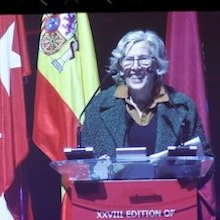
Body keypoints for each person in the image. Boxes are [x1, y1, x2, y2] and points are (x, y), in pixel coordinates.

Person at [80, 29, 212, 158]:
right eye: (129, 60)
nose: (136, 67)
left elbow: (205, 159)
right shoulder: (98, 108)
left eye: (143, 59)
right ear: (120, 68)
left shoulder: (182, 107)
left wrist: (184, 170)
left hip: (168, 181)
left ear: (156, 65)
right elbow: (85, 165)